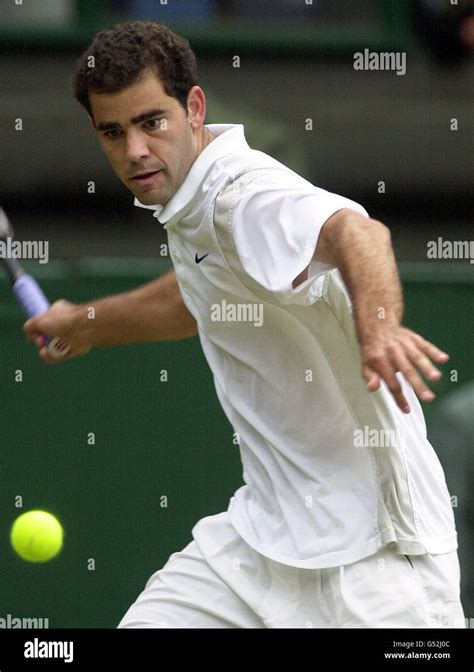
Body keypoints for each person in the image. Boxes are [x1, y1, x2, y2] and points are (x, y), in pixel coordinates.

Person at [24, 21, 464, 628]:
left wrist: (380, 327)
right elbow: (198, 297)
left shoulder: (243, 197)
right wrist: (88, 322)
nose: (134, 152)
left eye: (152, 122)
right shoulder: (191, 201)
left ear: (194, 107)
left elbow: (360, 233)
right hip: (260, 544)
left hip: (377, 560)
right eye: (113, 131)